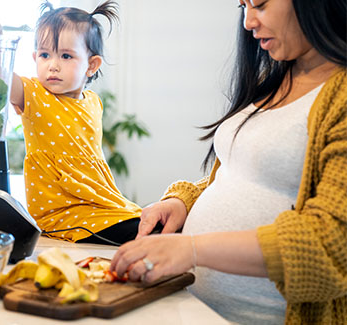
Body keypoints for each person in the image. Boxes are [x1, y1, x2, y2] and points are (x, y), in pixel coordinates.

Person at [110, 0, 346, 324]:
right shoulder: (275, 75)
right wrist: (185, 203)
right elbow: (246, 177)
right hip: (194, 306)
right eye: (243, 6)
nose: (248, 22)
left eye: (260, 5)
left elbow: (331, 243)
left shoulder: (341, 97)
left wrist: (193, 249)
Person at [0, 1, 142, 245]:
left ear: (92, 65)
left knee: (156, 223)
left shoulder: (93, 101)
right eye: (44, 55)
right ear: (35, 58)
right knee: (142, 233)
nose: (52, 65)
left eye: (66, 56)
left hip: (101, 203)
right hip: (63, 212)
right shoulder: (34, 94)